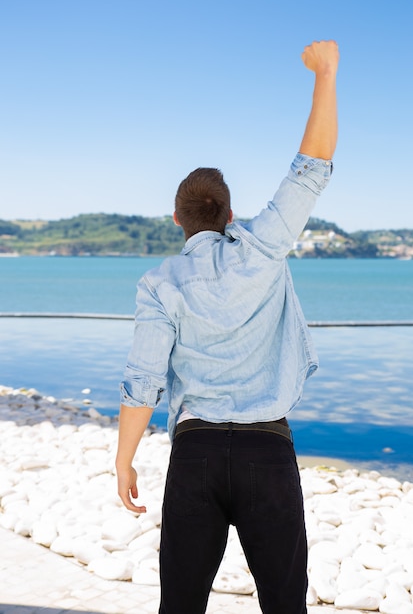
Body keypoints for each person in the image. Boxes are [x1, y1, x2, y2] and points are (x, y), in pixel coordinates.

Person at [116, 39, 339, 614]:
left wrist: (124, 459)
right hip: (269, 447)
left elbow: (143, 381)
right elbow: (311, 168)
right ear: (231, 215)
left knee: (182, 605)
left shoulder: (158, 283)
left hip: (196, 454)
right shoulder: (263, 247)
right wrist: (325, 73)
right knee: (285, 605)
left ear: (177, 220)